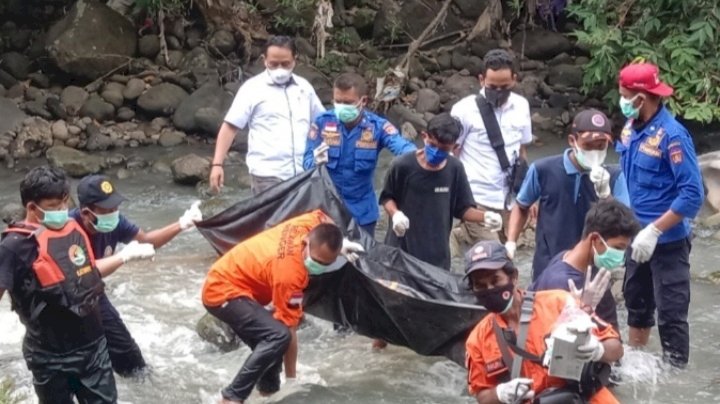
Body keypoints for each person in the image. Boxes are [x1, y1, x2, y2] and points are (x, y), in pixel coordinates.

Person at [0, 166, 154, 403]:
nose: (62, 211)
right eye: (54, 207)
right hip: (49, 356)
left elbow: (89, 271)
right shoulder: (13, 247)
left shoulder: (73, 231)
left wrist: (125, 256)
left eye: (64, 204)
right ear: (32, 208)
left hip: (93, 347)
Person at [201, 209, 364, 404]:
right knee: (278, 336)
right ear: (305, 243)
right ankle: (231, 398)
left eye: (325, 263)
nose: (318, 266)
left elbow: (323, 217)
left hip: (235, 278)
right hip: (221, 290)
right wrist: (292, 380)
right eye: (317, 260)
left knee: (271, 344)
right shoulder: (290, 275)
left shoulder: (306, 224)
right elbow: (289, 328)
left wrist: (342, 243)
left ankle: (267, 394)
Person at [616, 62, 704, 368]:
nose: (622, 99)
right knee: (636, 304)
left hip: (667, 242)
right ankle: (635, 363)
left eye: (625, 94)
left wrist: (654, 230)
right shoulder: (630, 128)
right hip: (633, 235)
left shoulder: (673, 136)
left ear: (643, 97)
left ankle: (674, 379)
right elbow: (627, 174)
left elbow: (693, 194)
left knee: (672, 314)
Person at [70, 174, 203, 377]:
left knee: (129, 356)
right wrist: (124, 256)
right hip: (66, 301)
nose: (114, 213)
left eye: (115, 208)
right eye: (107, 210)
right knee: (81, 360)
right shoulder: (69, 229)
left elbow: (147, 240)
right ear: (87, 212)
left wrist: (183, 223)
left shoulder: (115, 221)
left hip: (94, 294)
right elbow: (82, 272)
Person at [464, 240, 623, 404]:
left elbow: (616, 349)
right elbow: (482, 395)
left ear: (514, 277)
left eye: (495, 280)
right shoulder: (477, 340)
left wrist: (597, 349)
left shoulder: (560, 303)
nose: (489, 289)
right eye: (480, 285)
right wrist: (500, 393)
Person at [506, 109, 630, 280]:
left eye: (601, 146)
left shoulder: (616, 176)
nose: (594, 151)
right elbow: (521, 206)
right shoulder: (543, 170)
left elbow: (625, 223)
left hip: (593, 267)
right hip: (548, 264)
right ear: (573, 141)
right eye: (588, 146)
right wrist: (511, 241)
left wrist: (606, 195)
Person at [379, 113, 502, 271]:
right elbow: (387, 197)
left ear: (455, 147)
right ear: (425, 137)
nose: (436, 152)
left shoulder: (454, 169)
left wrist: (486, 216)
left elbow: (463, 209)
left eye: (444, 149)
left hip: (437, 254)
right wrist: (395, 214)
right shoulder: (402, 165)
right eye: (433, 145)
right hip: (401, 250)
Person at [303, 72, 416, 236]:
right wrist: (315, 161)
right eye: (337, 101)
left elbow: (403, 148)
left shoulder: (377, 127)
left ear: (363, 101)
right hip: (325, 210)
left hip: (362, 212)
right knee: (325, 259)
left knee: (362, 259)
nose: (341, 106)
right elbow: (305, 163)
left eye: (348, 102)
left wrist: (426, 157)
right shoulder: (322, 122)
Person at [209, 35, 325, 195]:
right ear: (264, 60)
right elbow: (230, 126)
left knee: (301, 220)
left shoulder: (305, 88)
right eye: (273, 64)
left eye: (285, 64)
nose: (280, 68)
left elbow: (323, 122)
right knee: (272, 220)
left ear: (295, 60)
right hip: (267, 175)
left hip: (304, 173)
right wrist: (217, 165)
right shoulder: (252, 89)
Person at [450, 49, 532, 256]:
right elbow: (452, 153)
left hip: (509, 198)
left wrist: (529, 195)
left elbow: (522, 150)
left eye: (504, 87)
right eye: (492, 87)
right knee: (494, 256)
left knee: (510, 251)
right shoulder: (464, 110)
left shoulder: (522, 106)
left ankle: (462, 236)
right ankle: (462, 231)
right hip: (477, 197)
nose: (498, 91)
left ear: (514, 79)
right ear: (481, 80)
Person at [531, 199, 640, 332]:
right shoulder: (567, 285)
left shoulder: (564, 257)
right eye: (617, 248)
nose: (621, 255)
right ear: (595, 239)